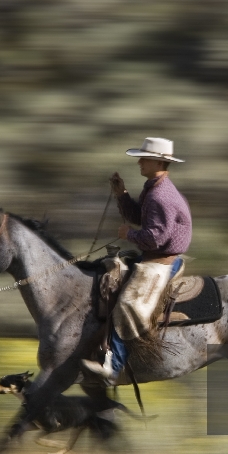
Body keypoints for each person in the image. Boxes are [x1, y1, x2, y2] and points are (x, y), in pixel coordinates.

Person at [82, 137, 192, 383]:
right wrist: (121, 193)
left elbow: (154, 237)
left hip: (160, 261)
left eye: (144, 158)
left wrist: (128, 235)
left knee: (129, 304)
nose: (139, 162)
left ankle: (114, 365)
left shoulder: (160, 196)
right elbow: (139, 217)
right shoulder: (153, 189)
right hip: (153, 256)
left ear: (159, 162)